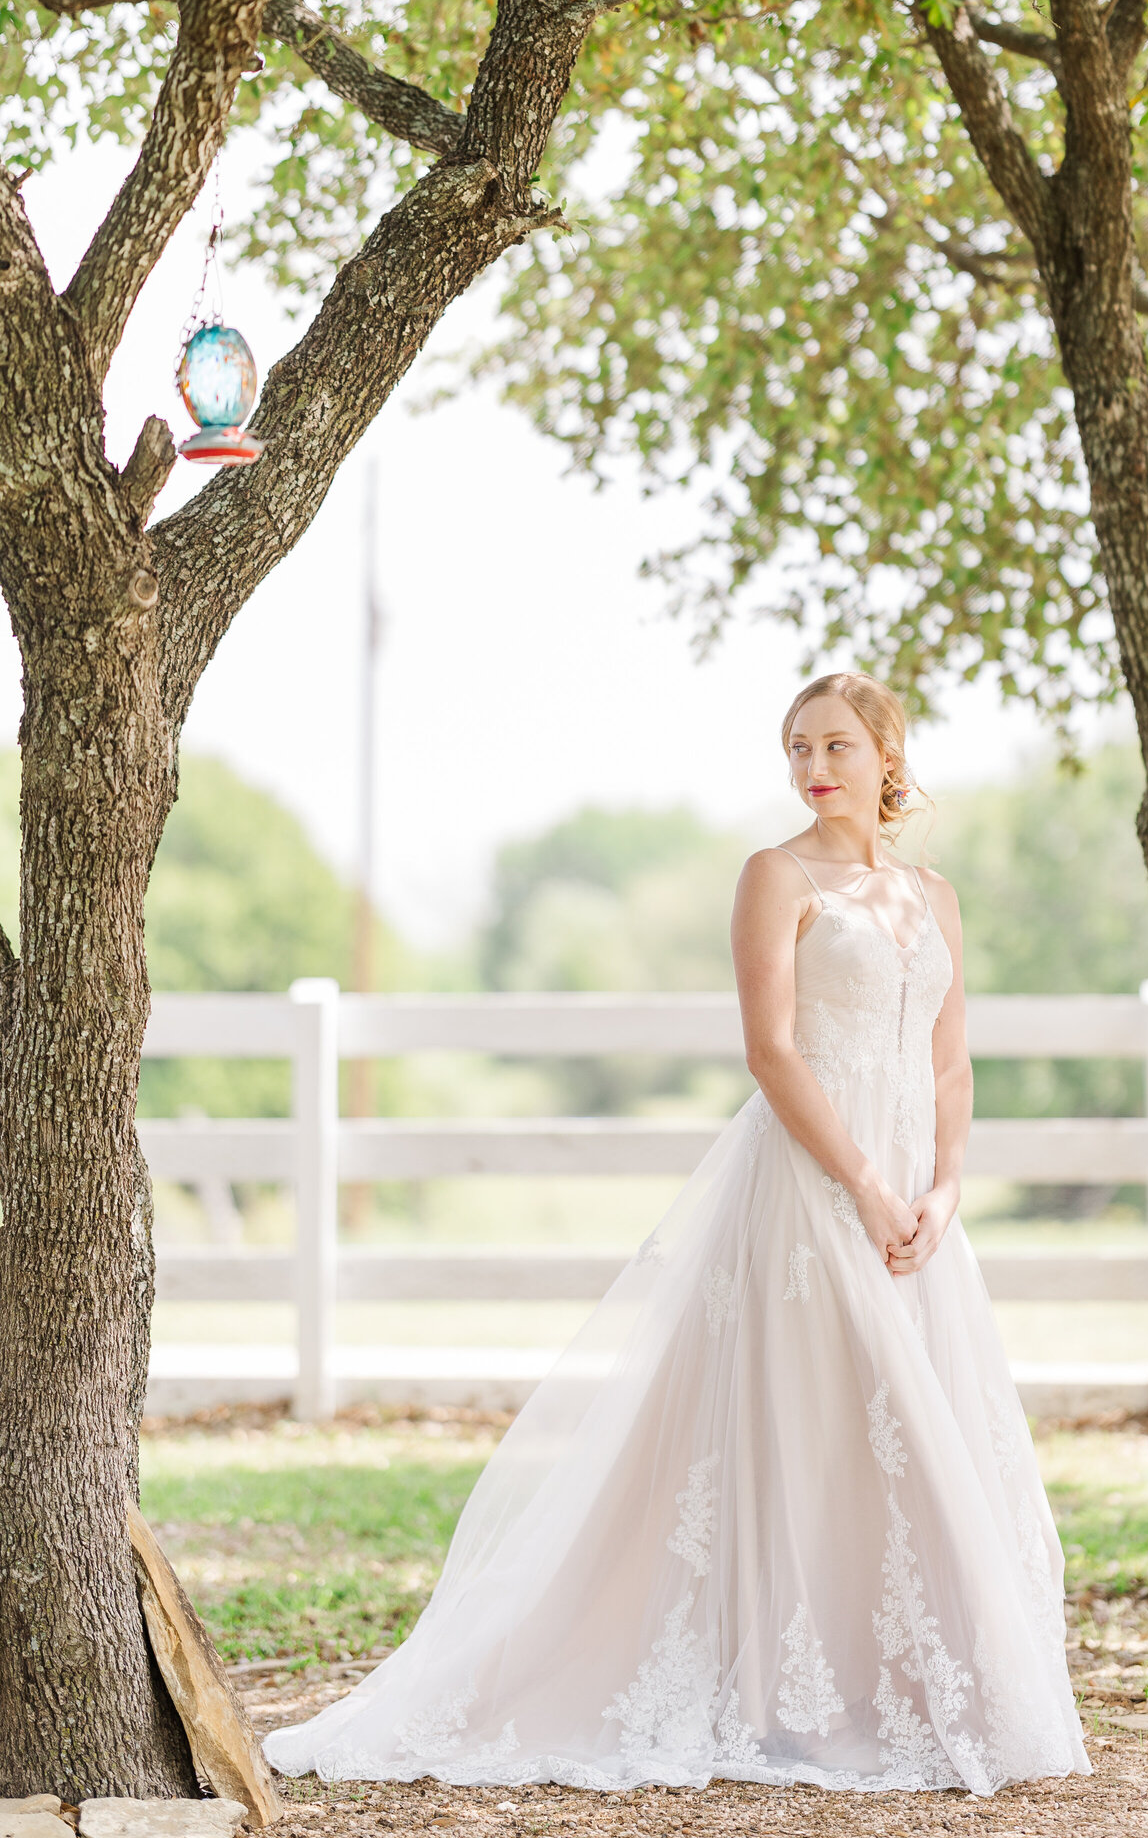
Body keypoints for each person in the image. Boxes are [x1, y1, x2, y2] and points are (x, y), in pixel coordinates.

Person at [264, 671, 1089, 1794]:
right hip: (812, 1186)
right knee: (804, 1421)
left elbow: (949, 1058)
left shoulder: (931, 897)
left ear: (887, 753)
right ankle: (767, 1694)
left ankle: (888, 1683)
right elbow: (773, 1051)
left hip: (914, 1204)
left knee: (902, 1434)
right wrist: (861, 1184)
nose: (813, 764)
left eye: (838, 744)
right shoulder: (775, 875)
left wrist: (942, 1188)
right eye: (797, 745)